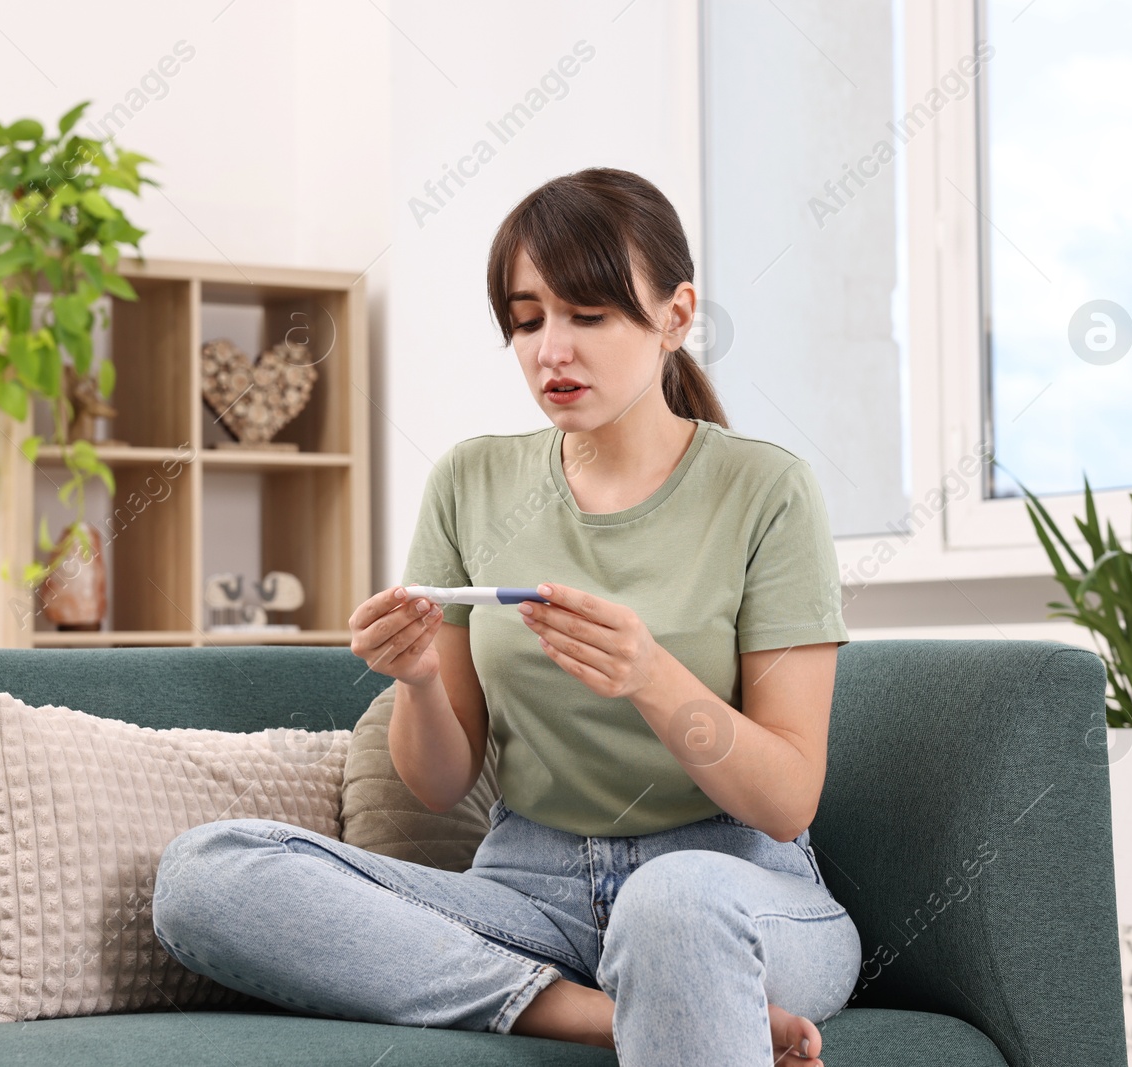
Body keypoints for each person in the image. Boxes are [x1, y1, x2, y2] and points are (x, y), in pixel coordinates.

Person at [151, 167, 859, 1066]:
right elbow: (440, 783)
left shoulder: (766, 491)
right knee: (205, 875)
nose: (550, 351)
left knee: (670, 905)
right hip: (531, 892)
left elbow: (788, 800)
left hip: (735, 886)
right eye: (527, 321)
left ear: (677, 316)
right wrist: (415, 681)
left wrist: (650, 676)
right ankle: (592, 1011)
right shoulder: (470, 482)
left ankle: (654, 984)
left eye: (588, 316)